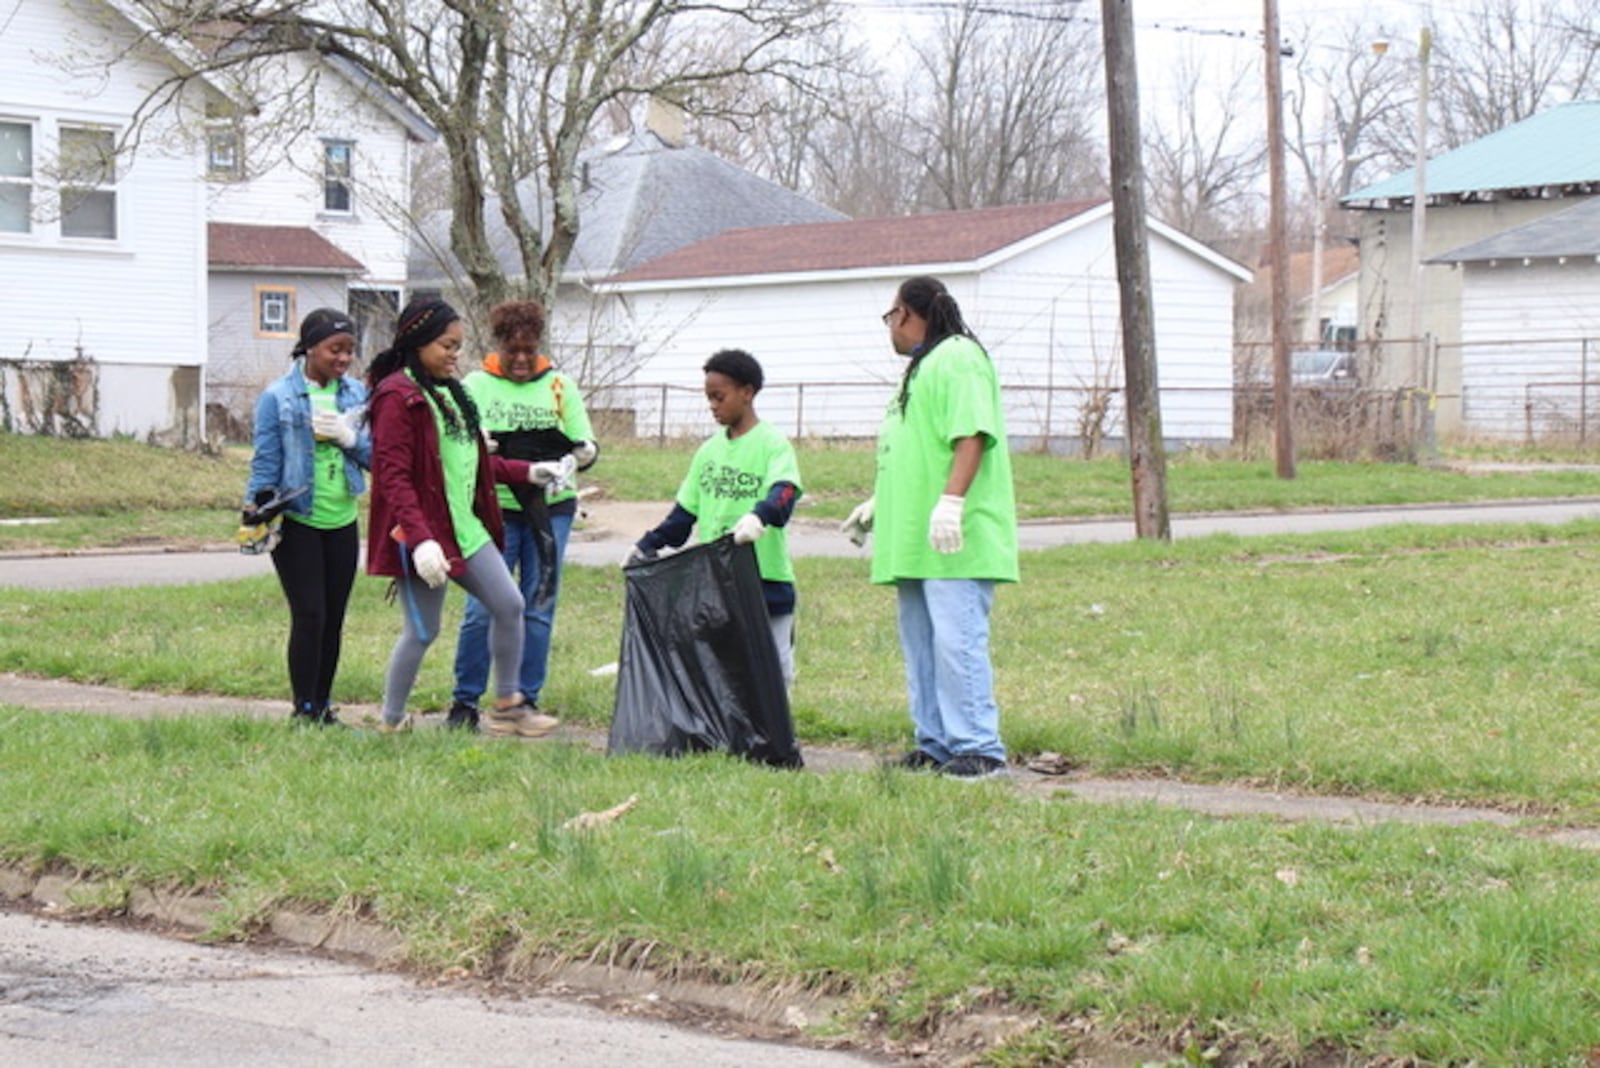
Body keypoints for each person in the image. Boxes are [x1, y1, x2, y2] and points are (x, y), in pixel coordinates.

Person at [840, 276, 1018, 779]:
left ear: (906, 314)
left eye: (890, 315)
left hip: (953, 535)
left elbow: (970, 436)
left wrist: (950, 503)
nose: (889, 328)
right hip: (914, 538)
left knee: (955, 638)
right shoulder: (920, 368)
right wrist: (883, 501)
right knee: (921, 642)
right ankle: (936, 742)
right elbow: (920, 446)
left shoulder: (958, 356)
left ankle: (979, 746)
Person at [364, 297, 560, 738]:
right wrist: (420, 539)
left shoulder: (451, 395)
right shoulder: (398, 397)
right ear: (417, 341)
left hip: (464, 530)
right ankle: (390, 723)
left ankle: (508, 705)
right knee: (422, 631)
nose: (454, 354)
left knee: (509, 604)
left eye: (458, 346)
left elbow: (469, 464)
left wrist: (527, 471)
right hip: (423, 536)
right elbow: (393, 478)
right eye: (446, 345)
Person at [447, 300, 598, 730]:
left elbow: (583, 442)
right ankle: (465, 702)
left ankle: (523, 701)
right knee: (483, 608)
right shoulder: (475, 386)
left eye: (528, 350)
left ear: (539, 346)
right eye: (511, 350)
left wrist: (580, 457)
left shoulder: (560, 386)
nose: (519, 360)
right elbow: (457, 447)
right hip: (495, 510)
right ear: (497, 346)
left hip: (551, 510)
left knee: (538, 603)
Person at [632, 349, 803, 687]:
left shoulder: (773, 444)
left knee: (775, 667)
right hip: (717, 579)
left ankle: (777, 735)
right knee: (727, 666)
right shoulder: (708, 452)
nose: (712, 405)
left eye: (719, 397)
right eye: (708, 397)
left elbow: (785, 492)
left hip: (765, 579)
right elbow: (683, 517)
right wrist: (648, 543)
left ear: (747, 392)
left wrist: (759, 516)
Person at [244, 307, 371, 727]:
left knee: (334, 618)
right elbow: (265, 463)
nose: (343, 358)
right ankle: (304, 709)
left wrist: (348, 436)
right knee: (310, 615)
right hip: (298, 520)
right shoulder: (277, 397)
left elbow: (377, 456)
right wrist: (254, 515)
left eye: (350, 350)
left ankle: (324, 706)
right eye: (335, 348)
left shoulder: (355, 394)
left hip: (342, 520)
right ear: (310, 347)